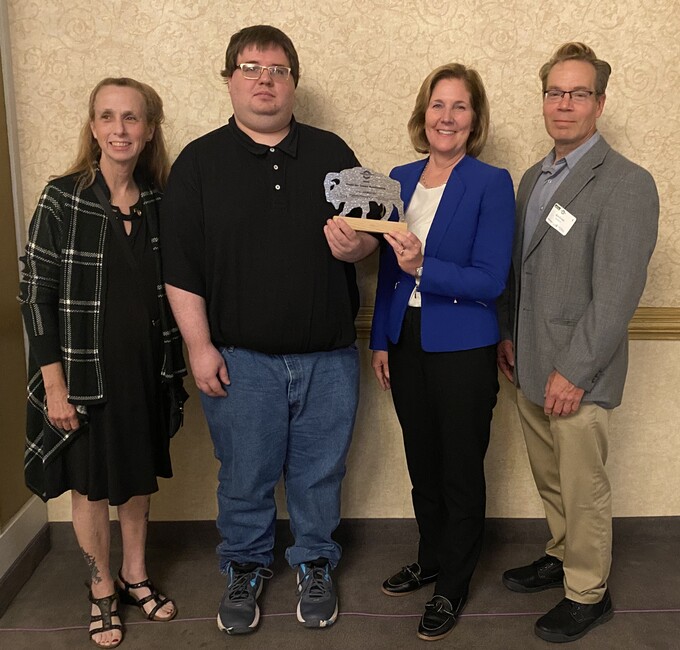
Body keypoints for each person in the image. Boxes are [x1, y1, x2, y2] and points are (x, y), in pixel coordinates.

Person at [160, 25, 379, 635]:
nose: (264, 79)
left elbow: (368, 237)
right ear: (229, 78)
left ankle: (315, 563)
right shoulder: (199, 162)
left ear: (294, 83)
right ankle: (246, 568)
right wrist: (199, 348)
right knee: (245, 476)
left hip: (329, 357)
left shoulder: (334, 152)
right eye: (251, 67)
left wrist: (357, 245)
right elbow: (180, 268)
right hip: (239, 359)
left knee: (319, 476)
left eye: (278, 69)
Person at [496, 42, 659, 644]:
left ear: (600, 102)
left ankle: (587, 591)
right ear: (544, 100)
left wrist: (575, 371)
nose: (564, 104)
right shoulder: (534, 179)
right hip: (529, 360)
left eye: (578, 93)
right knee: (551, 478)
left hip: (578, 373)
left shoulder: (625, 183)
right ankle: (564, 553)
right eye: (554, 92)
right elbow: (521, 268)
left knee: (583, 484)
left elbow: (617, 295)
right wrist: (508, 335)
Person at [19, 77, 187, 649]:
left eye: (132, 118)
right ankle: (100, 591)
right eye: (108, 117)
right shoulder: (62, 196)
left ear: (149, 129)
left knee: (136, 478)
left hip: (147, 370)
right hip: (82, 377)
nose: (120, 129)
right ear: (93, 128)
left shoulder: (160, 201)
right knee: (90, 488)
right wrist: (54, 384)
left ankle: (134, 574)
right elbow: (33, 293)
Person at [370, 63, 515, 642]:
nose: (446, 117)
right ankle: (431, 557)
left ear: (474, 119)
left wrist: (426, 265)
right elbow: (386, 268)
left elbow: (491, 279)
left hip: (463, 348)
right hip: (407, 344)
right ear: (422, 113)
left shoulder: (490, 182)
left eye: (459, 106)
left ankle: (453, 582)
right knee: (422, 461)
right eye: (437, 105)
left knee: (459, 467)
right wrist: (381, 337)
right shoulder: (398, 179)